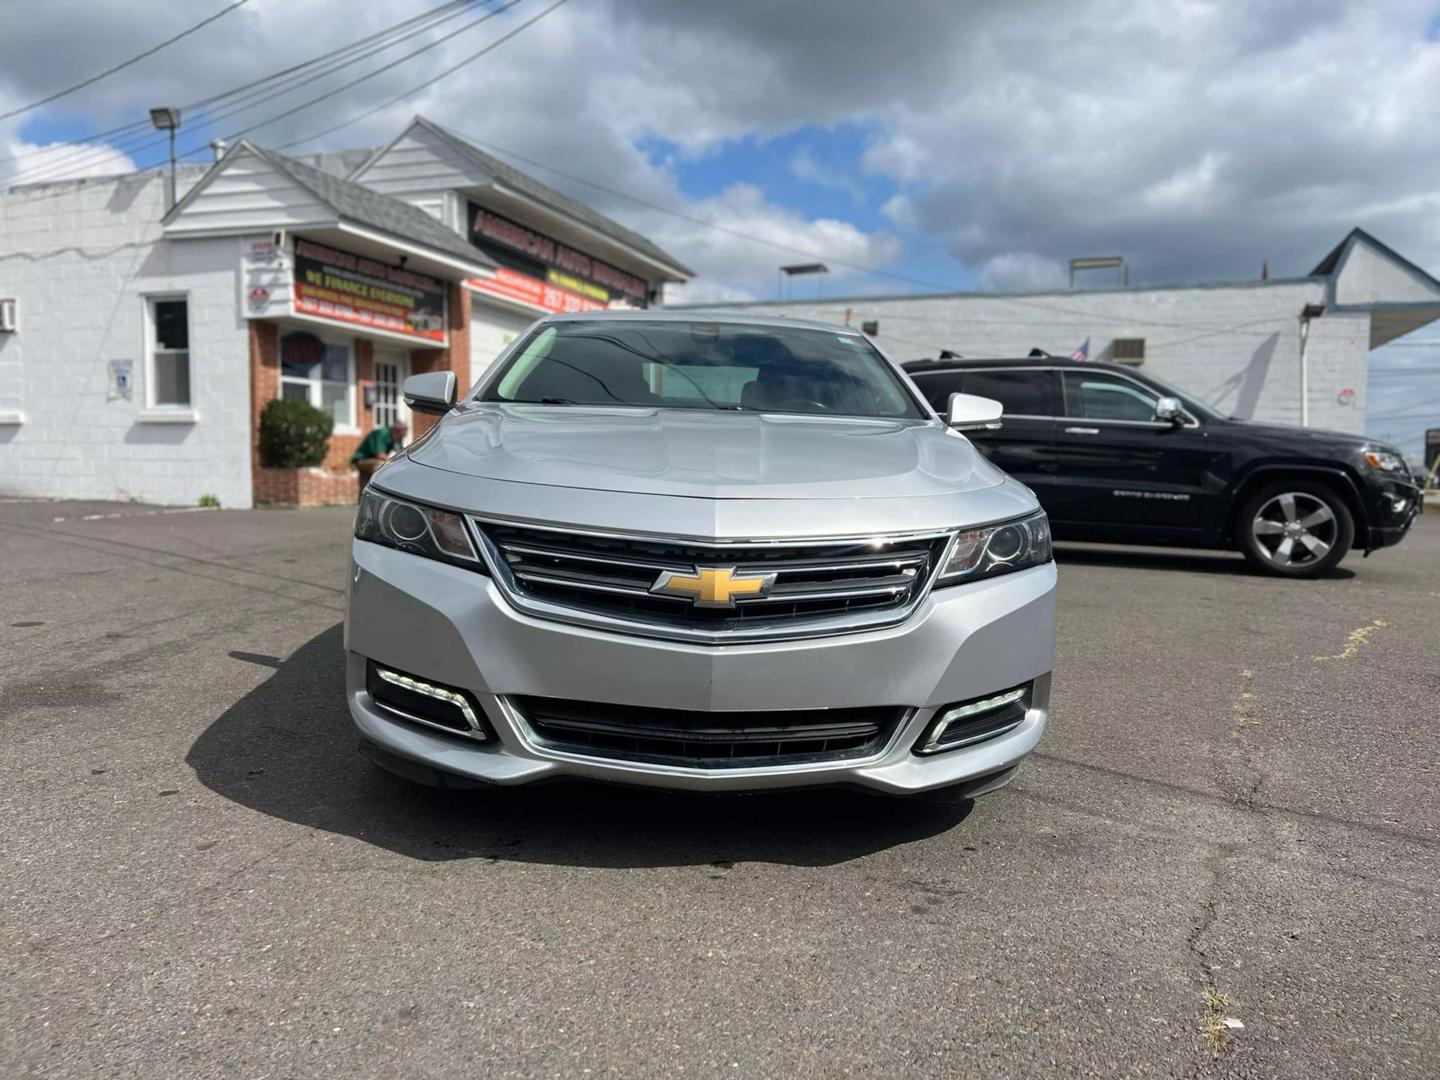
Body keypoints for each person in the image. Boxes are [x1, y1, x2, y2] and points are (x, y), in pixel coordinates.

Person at [351, 421, 408, 490]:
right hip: (361, 459)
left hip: (373, 460)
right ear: (397, 430)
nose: (405, 434)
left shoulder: (397, 438)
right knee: (381, 466)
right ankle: (382, 490)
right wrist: (394, 461)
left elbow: (400, 453)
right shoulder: (381, 433)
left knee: (364, 485)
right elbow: (379, 454)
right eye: (404, 432)